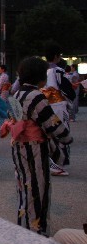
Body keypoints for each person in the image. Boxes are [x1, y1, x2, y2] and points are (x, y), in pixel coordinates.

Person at [1, 56, 72, 235]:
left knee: (24, 187)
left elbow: (15, 120)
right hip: (34, 148)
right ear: (40, 77)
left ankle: (24, 226)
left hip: (18, 146)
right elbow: (51, 124)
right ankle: (36, 232)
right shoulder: (36, 96)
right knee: (38, 190)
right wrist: (67, 137)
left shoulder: (15, 95)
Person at [44, 42, 75, 175]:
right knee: (61, 131)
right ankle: (59, 163)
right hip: (58, 105)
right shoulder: (57, 71)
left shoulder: (42, 70)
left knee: (49, 133)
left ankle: (49, 162)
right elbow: (68, 90)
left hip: (45, 104)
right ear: (57, 56)